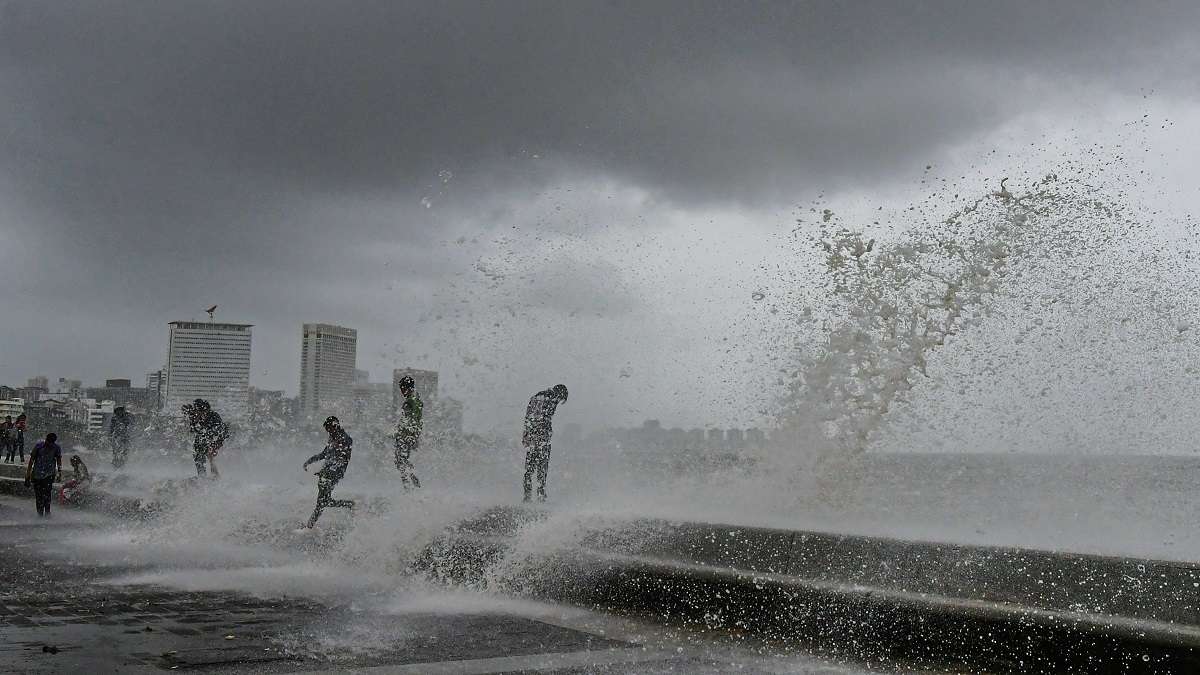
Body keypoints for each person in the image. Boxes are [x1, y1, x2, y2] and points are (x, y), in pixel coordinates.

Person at [301, 416, 354, 529]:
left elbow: (342, 460)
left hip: (333, 474)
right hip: (326, 473)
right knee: (325, 502)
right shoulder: (333, 438)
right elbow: (324, 454)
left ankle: (309, 526)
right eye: (327, 430)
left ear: (335, 426)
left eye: (329, 429)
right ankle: (349, 504)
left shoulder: (345, 439)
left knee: (321, 502)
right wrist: (309, 461)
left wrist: (325, 471)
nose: (328, 432)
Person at [522, 384, 568, 502]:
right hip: (542, 437)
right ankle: (540, 495)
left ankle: (527, 496)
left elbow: (528, 416)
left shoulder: (536, 396)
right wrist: (547, 433)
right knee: (542, 466)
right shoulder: (551, 398)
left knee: (529, 468)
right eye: (560, 399)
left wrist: (526, 434)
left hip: (531, 436)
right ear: (559, 394)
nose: (559, 402)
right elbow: (545, 418)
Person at [183, 399, 228, 478]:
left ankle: (215, 475)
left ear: (206, 411)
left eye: (200, 412)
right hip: (204, 436)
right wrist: (192, 419)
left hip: (218, 437)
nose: (198, 414)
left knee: (210, 454)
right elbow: (193, 430)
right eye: (196, 412)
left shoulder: (214, 416)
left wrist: (209, 436)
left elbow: (219, 430)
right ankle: (202, 475)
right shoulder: (195, 415)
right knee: (197, 452)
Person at [394, 375, 423, 489]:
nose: (401, 391)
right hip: (411, 436)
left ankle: (409, 486)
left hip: (405, 436)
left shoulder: (410, 402)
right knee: (402, 460)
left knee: (400, 461)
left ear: (408, 388)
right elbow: (417, 421)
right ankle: (413, 482)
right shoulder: (417, 400)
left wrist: (400, 433)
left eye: (402, 388)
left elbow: (409, 420)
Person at [25, 433, 63, 517]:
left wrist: (59, 474)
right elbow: (31, 461)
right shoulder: (39, 446)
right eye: (48, 442)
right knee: (39, 496)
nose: (49, 444)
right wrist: (27, 476)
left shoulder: (56, 448)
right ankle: (40, 514)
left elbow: (59, 461)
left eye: (51, 443)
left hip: (49, 475)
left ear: (54, 442)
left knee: (47, 495)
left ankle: (47, 513)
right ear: (46, 439)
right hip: (37, 475)